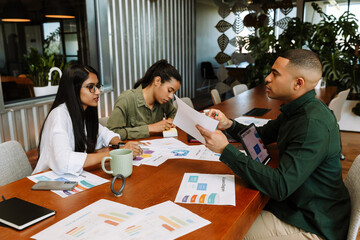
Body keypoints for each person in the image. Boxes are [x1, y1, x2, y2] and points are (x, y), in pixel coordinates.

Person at [196, 49, 350, 240]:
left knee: (227, 230)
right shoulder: (298, 109)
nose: (267, 78)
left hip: (314, 223)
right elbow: (262, 134)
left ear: (298, 83)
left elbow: (280, 185)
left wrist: (225, 150)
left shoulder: (311, 124)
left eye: (275, 74)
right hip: (297, 204)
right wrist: (229, 124)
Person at [33, 64, 143, 176]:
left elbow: (105, 135)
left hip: (70, 178)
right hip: (48, 179)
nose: (98, 92)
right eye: (91, 87)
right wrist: (114, 154)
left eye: (97, 86)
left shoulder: (84, 112)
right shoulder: (59, 115)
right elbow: (63, 161)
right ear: (74, 88)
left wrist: (121, 146)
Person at [107, 59, 181, 140]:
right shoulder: (127, 99)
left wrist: (171, 120)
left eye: (173, 93)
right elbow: (111, 133)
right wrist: (150, 128)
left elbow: (174, 112)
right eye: (169, 90)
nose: (171, 96)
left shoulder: (163, 101)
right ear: (157, 81)